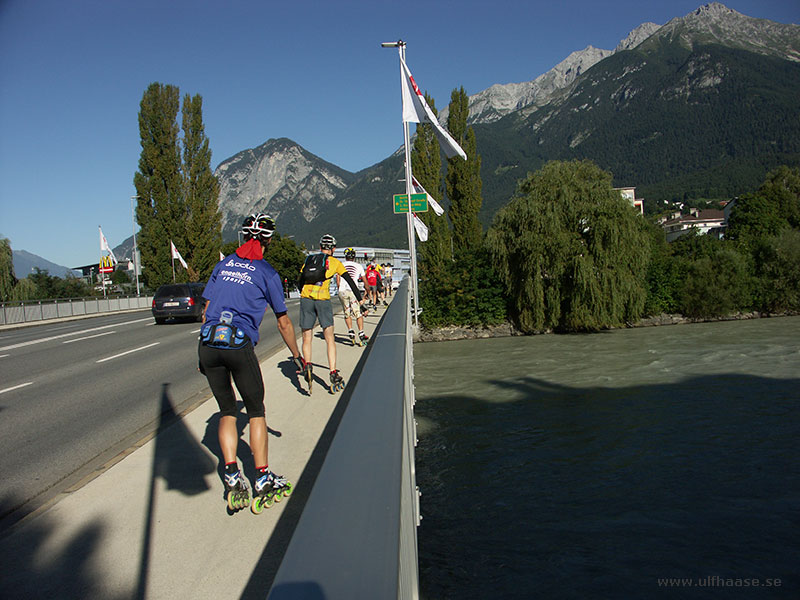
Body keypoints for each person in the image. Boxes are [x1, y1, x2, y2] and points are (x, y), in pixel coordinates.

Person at [198, 213, 304, 513]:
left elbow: (207, 311)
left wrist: (201, 358)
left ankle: (231, 474)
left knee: (227, 411)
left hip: (208, 343)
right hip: (237, 344)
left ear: (243, 237)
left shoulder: (223, 264)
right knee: (255, 411)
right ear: (268, 240)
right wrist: (297, 356)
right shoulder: (267, 272)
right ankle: (261, 478)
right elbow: (283, 322)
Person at [298, 234, 364, 393]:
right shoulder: (334, 262)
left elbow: (300, 280)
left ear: (320, 246)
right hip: (323, 300)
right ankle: (333, 372)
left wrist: (304, 292)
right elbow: (349, 281)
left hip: (306, 299)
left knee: (307, 337)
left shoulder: (309, 260)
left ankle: (307, 364)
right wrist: (360, 301)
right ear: (333, 248)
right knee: (329, 338)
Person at [336, 247, 369, 346]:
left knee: (347, 312)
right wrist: (368, 292)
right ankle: (361, 332)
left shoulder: (340, 265)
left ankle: (350, 330)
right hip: (353, 291)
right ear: (354, 256)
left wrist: (340, 289)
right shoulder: (358, 266)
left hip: (342, 291)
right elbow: (365, 281)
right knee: (358, 312)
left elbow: (338, 281)